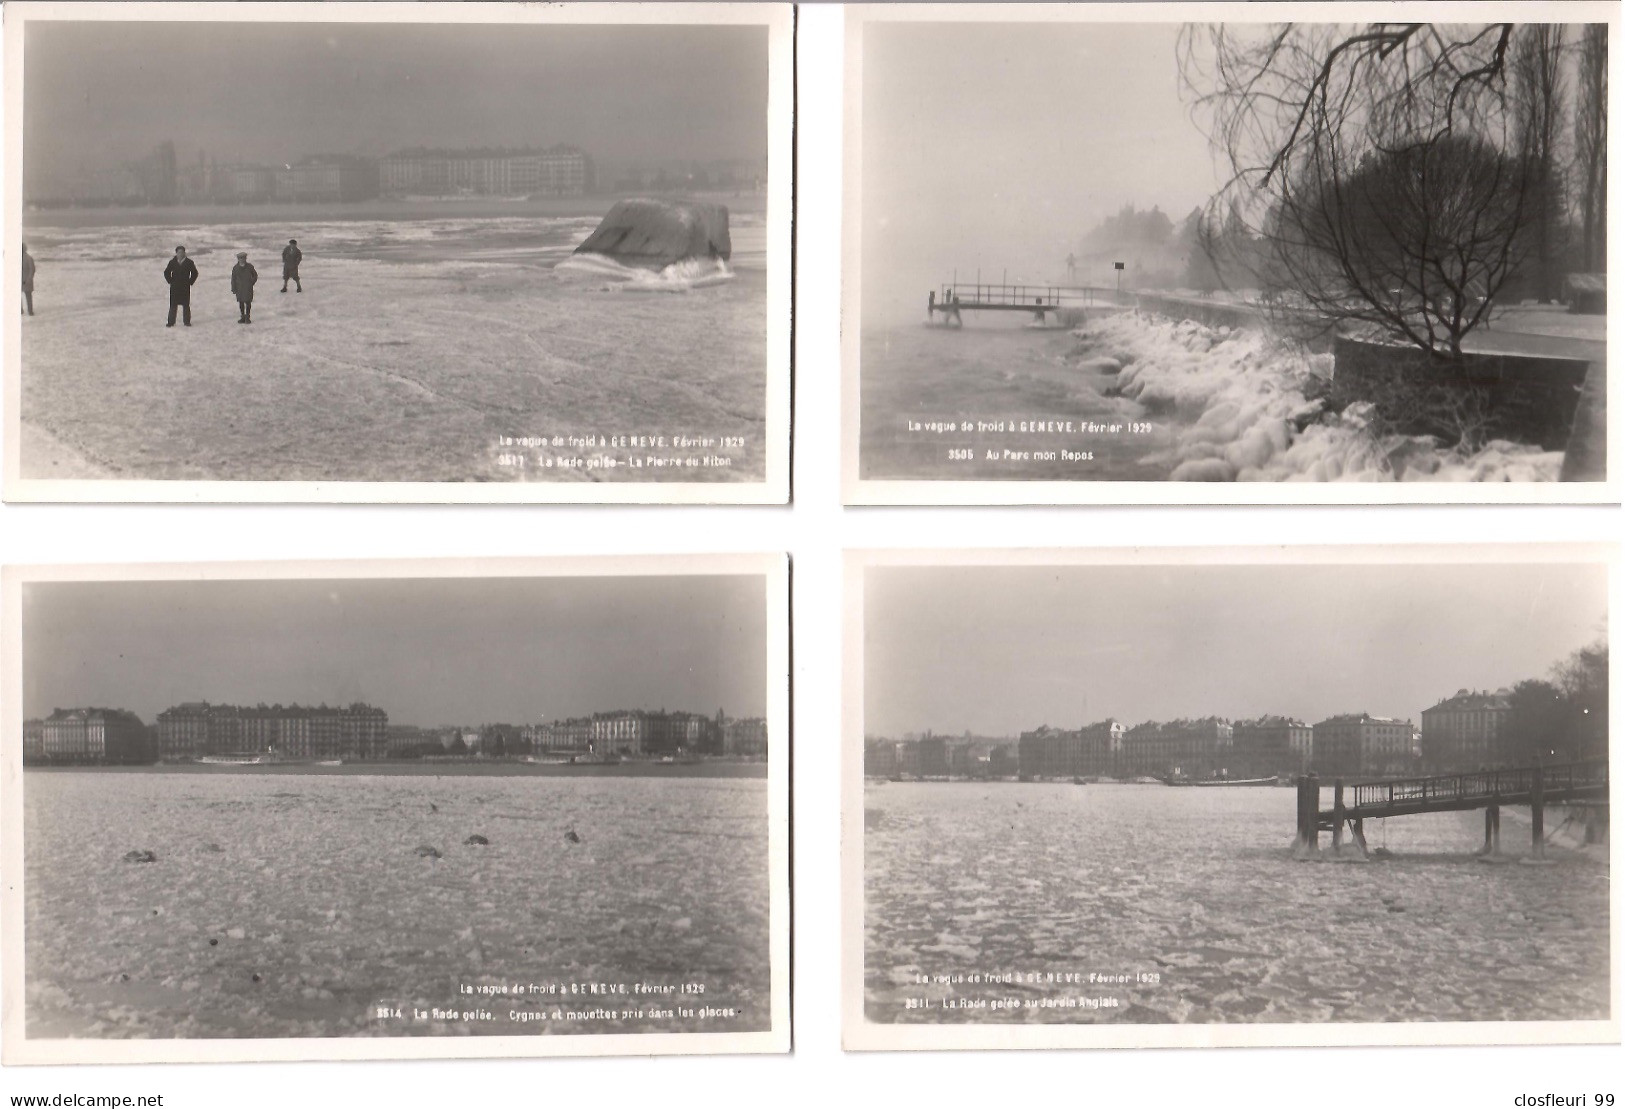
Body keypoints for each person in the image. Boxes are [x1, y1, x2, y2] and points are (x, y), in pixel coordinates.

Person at [164, 245, 198, 327]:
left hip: (185, 287)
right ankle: (171, 322)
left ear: (184, 253)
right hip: (175, 287)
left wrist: (190, 282)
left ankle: (187, 322)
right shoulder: (172, 262)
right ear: (176, 253)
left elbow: (195, 273)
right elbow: (166, 272)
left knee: (186, 305)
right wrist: (170, 281)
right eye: (179, 252)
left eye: (182, 252)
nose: (180, 254)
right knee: (173, 305)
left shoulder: (189, 262)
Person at [231, 251, 258, 323]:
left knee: (248, 303)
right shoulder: (235, 268)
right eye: (240, 258)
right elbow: (233, 278)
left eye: (243, 258)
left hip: (248, 288)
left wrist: (251, 282)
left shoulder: (250, 267)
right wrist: (233, 288)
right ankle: (242, 316)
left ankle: (247, 317)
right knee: (241, 303)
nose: (242, 260)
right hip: (239, 288)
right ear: (238, 259)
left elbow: (255, 275)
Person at [21, 243, 35, 316]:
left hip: (27, 280)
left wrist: (28, 279)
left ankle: (30, 311)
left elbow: (32, 269)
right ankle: (20, 310)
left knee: (28, 296)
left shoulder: (29, 258)